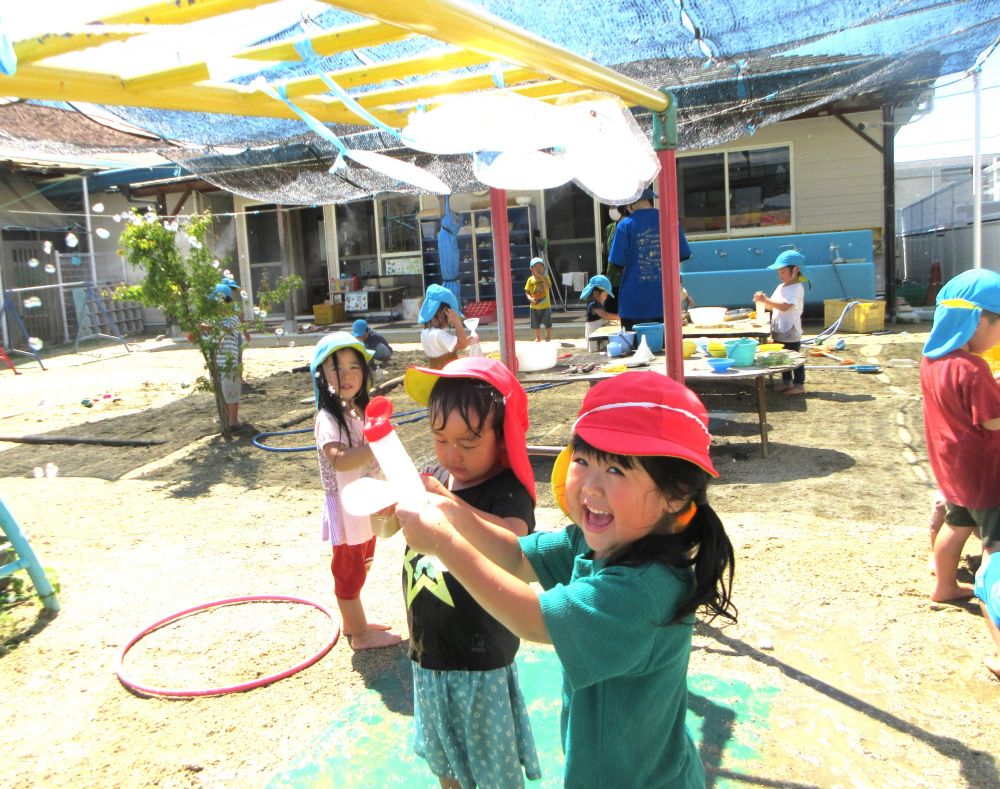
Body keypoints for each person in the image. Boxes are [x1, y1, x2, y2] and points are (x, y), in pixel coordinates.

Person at [397, 371, 737, 787]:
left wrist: (446, 544)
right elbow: (517, 556)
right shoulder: (595, 542)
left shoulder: (644, 591)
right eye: (582, 460)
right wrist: (450, 508)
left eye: (615, 469)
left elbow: (532, 619)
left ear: (676, 494)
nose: (590, 486)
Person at [400, 357, 541, 788]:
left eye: (468, 442)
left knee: (493, 771)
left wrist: (448, 504)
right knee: (446, 764)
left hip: (481, 664)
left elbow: (515, 548)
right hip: (428, 655)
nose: (451, 454)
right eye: (440, 438)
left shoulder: (508, 491)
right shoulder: (441, 476)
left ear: (502, 439)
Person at [919, 269, 1000, 675]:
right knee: (995, 551)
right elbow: (991, 422)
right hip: (987, 473)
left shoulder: (931, 359)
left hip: (952, 467)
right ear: (978, 320)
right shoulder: (973, 369)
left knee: (956, 524)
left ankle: (945, 586)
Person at [310, 331, 402, 650]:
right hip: (348, 513)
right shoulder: (328, 417)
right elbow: (339, 460)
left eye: (355, 366)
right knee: (348, 576)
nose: (347, 374)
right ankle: (360, 636)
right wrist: (376, 446)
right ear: (322, 376)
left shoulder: (357, 411)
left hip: (367, 504)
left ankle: (354, 622)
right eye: (337, 367)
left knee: (362, 566)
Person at [608, 186, 692, 333]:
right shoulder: (670, 220)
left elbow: (617, 264)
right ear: (648, 199)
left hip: (633, 304)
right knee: (665, 352)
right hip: (666, 303)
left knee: (635, 352)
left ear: (630, 203)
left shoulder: (625, 225)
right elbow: (683, 254)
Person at [753, 250, 807, 396]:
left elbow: (785, 306)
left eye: (783, 272)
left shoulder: (797, 288)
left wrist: (766, 300)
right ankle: (787, 382)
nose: (780, 275)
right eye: (779, 272)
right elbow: (773, 306)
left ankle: (799, 384)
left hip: (791, 329)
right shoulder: (780, 287)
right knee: (782, 356)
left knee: (794, 357)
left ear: (795, 270)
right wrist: (763, 302)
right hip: (780, 327)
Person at [208, 281, 251, 433]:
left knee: (231, 390)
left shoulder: (232, 319)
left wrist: (205, 326)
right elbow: (202, 335)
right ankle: (227, 418)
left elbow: (224, 329)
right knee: (220, 392)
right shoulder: (211, 320)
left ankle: (233, 420)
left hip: (229, 362)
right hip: (215, 363)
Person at [419, 284, 470, 370]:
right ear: (445, 311)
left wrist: (467, 340)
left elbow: (450, 345)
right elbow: (463, 344)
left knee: (464, 357)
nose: (450, 320)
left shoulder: (425, 333)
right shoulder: (439, 334)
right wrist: (457, 322)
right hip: (447, 374)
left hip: (435, 371)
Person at [579, 274, 619, 340]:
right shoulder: (593, 304)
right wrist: (620, 317)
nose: (606, 297)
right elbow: (605, 315)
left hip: (598, 333)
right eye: (605, 294)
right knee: (596, 349)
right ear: (596, 293)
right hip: (593, 334)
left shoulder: (598, 303)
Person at [524, 257, 552, 342]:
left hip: (545, 305)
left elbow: (547, 286)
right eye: (536, 267)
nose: (538, 268)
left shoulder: (546, 277)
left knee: (547, 323)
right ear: (531, 269)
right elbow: (527, 291)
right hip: (534, 306)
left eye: (540, 266)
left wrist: (542, 277)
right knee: (535, 324)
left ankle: (548, 336)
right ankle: (538, 337)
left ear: (544, 267)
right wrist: (529, 298)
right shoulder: (530, 280)